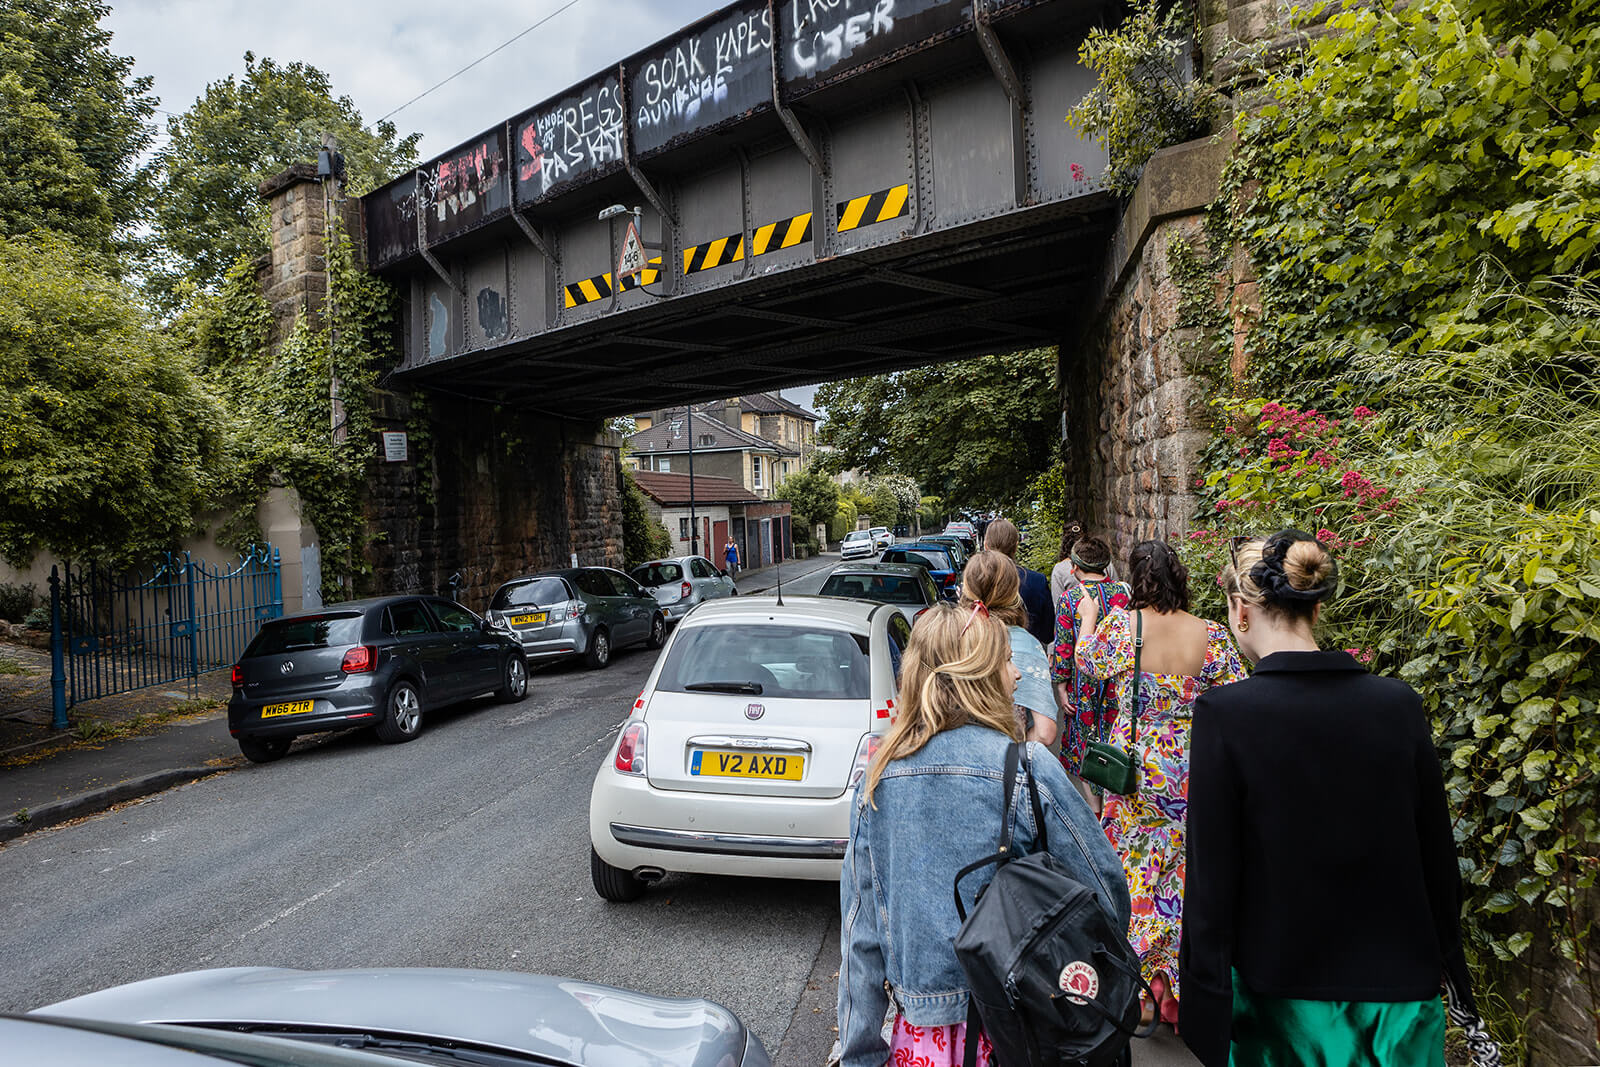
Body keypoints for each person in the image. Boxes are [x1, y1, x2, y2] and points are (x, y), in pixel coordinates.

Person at [1180, 531, 1475, 1066]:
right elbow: (1437, 857)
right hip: (1399, 999)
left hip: (1282, 999)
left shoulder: (1226, 716)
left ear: (1240, 611)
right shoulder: (1398, 705)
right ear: (1315, 609)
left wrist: (1205, 1000)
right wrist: (1451, 967)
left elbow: (1212, 879)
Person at [837, 602, 1129, 1067]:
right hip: (1025, 1029)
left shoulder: (877, 781)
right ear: (980, 674)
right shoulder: (1029, 770)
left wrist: (859, 1054)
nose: (1016, 675)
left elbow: (861, 938)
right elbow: (1106, 893)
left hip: (923, 1042)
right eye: (1006, 661)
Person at [1075, 538, 1245, 1028]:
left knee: (1135, 872)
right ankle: (1175, 982)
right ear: (1179, 577)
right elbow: (1235, 693)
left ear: (1136, 577)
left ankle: (1140, 986)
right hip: (1190, 768)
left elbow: (1088, 665)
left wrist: (1088, 618)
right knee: (1180, 873)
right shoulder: (1209, 634)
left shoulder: (1121, 628)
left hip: (1131, 769)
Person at [1050, 537, 1131, 781]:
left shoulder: (1070, 599)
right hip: (1117, 681)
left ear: (1074, 568)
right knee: (1116, 739)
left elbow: (1064, 648)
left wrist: (1061, 686)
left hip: (1081, 683)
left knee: (1086, 744)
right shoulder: (1125, 594)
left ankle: (1095, 811)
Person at [959, 551, 1059, 747]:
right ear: (1014, 591)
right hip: (1007, 765)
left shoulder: (952, 637)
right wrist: (1017, 741)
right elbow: (1045, 733)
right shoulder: (1029, 645)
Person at [982, 518, 1053, 648]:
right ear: (1015, 546)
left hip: (987, 654)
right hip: (1029, 655)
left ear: (986, 545)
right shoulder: (1037, 581)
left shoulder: (977, 581)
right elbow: (1047, 633)